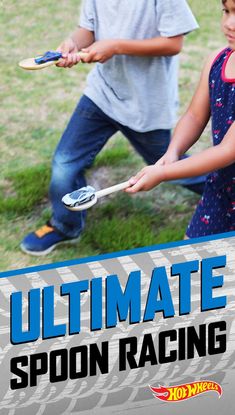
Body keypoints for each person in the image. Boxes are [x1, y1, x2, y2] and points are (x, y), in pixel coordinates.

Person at [21, 0, 205, 256]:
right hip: (102, 94)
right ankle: (65, 225)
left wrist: (116, 46)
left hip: (146, 107)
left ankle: (223, 191)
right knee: (64, 164)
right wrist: (73, 44)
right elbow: (88, 30)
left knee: (170, 166)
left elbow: (173, 43)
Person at [127, 0, 235, 238]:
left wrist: (165, 174)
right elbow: (195, 116)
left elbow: (228, 150)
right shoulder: (217, 60)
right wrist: (172, 153)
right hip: (221, 188)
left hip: (225, 170)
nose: (229, 23)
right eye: (226, 11)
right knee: (191, 261)